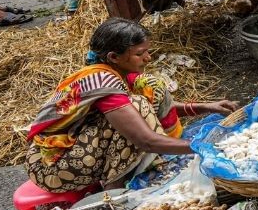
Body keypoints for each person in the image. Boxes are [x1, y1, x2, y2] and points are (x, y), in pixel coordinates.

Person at [25, 18, 238, 193]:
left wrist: (205, 107)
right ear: (114, 57)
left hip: (74, 149)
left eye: (147, 51)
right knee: (137, 106)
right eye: (139, 53)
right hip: (53, 167)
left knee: (150, 87)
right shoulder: (105, 84)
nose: (148, 57)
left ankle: (127, 171)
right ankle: (114, 189)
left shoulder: (115, 73)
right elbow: (145, 140)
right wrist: (203, 146)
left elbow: (154, 106)